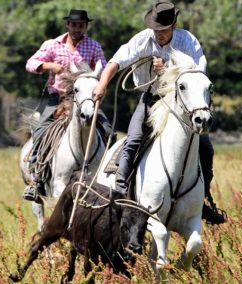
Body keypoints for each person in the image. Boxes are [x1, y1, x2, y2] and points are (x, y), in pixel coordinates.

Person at [94, 2, 226, 225]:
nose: (159, 34)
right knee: (134, 138)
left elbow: (198, 70)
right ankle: (121, 187)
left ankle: (203, 197)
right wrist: (102, 85)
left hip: (180, 103)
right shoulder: (142, 39)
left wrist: (167, 70)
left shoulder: (187, 40)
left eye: (163, 30)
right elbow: (116, 61)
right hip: (150, 99)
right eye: (156, 29)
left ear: (173, 26)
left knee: (205, 147)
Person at [22, 9, 114, 201]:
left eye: (81, 25)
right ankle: (36, 177)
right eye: (73, 25)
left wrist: (99, 83)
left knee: (108, 130)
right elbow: (30, 63)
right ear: (67, 25)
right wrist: (49, 66)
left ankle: (112, 173)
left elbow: (104, 68)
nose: (77, 29)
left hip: (85, 99)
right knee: (40, 131)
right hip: (56, 98)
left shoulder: (93, 46)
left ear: (85, 27)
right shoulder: (52, 45)